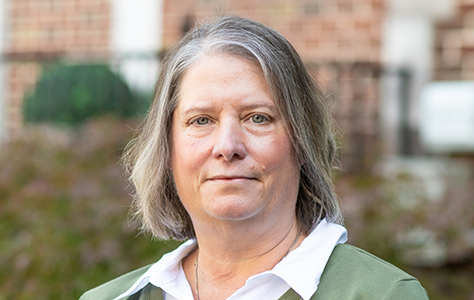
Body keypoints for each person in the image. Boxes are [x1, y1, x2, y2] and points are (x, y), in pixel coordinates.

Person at [80, 15, 429, 300]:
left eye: (257, 118)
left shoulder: (380, 294)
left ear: (302, 141)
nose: (227, 146)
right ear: (167, 149)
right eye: (201, 120)